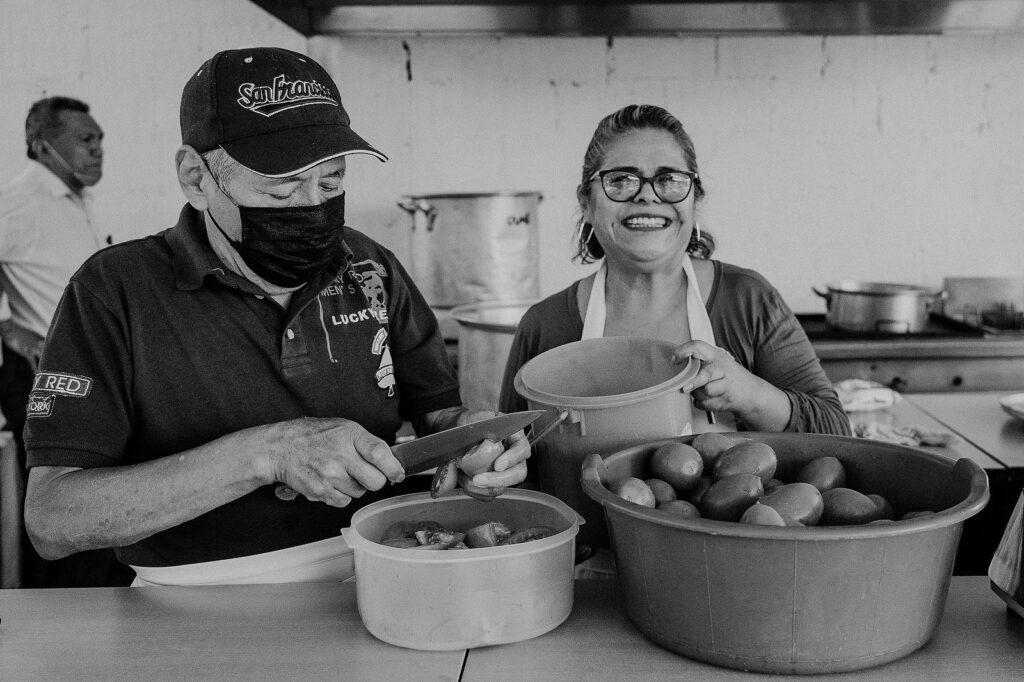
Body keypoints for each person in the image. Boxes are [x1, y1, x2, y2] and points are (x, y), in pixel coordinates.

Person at [22, 47, 529, 587]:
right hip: (193, 600)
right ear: (196, 179)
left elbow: (437, 418)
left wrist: (474, 440)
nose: (312, 207)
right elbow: (52, 520)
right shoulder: (114, 291)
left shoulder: (370, 267)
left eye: (331, 183)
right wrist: (263, 454)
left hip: (378, 570)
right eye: (281, 188)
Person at [498, 104, 850, 436]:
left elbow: (836, 429)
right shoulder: (544, 326)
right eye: (621, 180)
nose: (648, 196)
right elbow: (510, 459)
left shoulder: (748, 301)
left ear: (694, 201)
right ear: (586, 204)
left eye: (669, 180)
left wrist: (749, 394)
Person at [0, 96, 125, 587]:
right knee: (66, 504)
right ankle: (60, 619)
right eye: (85, 140)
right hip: (45, 379)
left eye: (100, 140)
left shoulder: (79, 201)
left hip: (91, 373)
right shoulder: (24, 201)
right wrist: (6, 324)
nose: (97, 151)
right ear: (42, 146)